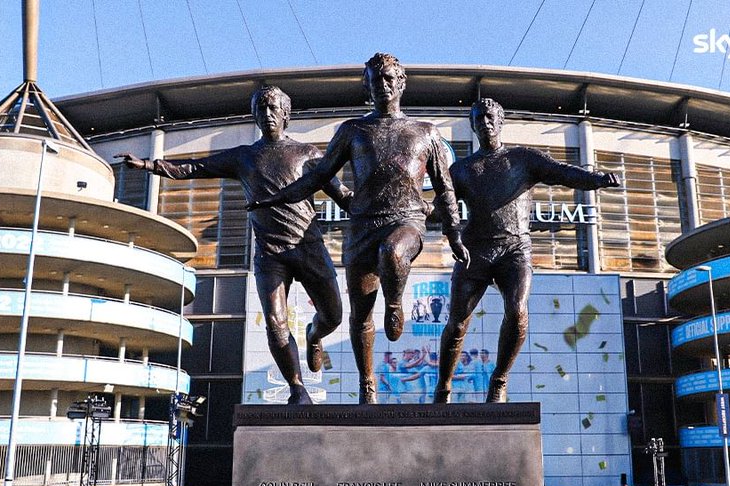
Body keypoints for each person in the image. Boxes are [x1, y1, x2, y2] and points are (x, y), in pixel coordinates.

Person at [247, 54, 469, 405]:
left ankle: (394, 303)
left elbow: (445, 188)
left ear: (402, 83)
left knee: (393, 252)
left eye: (390, 78)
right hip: (363, 227)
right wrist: (280, 197)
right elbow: (320, 176)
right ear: (366, 85)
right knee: (360, 314)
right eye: (376, 79)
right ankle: (367, 383)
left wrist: (453, 232)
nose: (383, 84)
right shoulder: (352, 131)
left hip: (406, 220)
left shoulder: (425, 132)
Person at [118, 85, 349, 406]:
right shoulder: (245, 157)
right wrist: (149, 165)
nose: (267, 115)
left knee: (334, 316)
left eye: (273, 109)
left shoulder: (308, 154)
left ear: (286, 114)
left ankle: (315, 335)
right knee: (275, 323)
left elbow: (343, 196)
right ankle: (297, 387)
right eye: (261, 110)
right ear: (254, 116)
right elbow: (196, 167)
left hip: (308, 248)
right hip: (270, 256)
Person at [434, 97, 619, 404]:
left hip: (514, 250)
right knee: (456, 323)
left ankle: (499, 380)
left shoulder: (522, 159)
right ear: (473, 126)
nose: (485, 123)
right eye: (479, 119)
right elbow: (442, 207)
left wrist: (596, 179)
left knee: (517, 311)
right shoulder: (463, 169)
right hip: (475, 249)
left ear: (501, 121)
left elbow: (562, 172)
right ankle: (444, 385)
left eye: (490, 117)